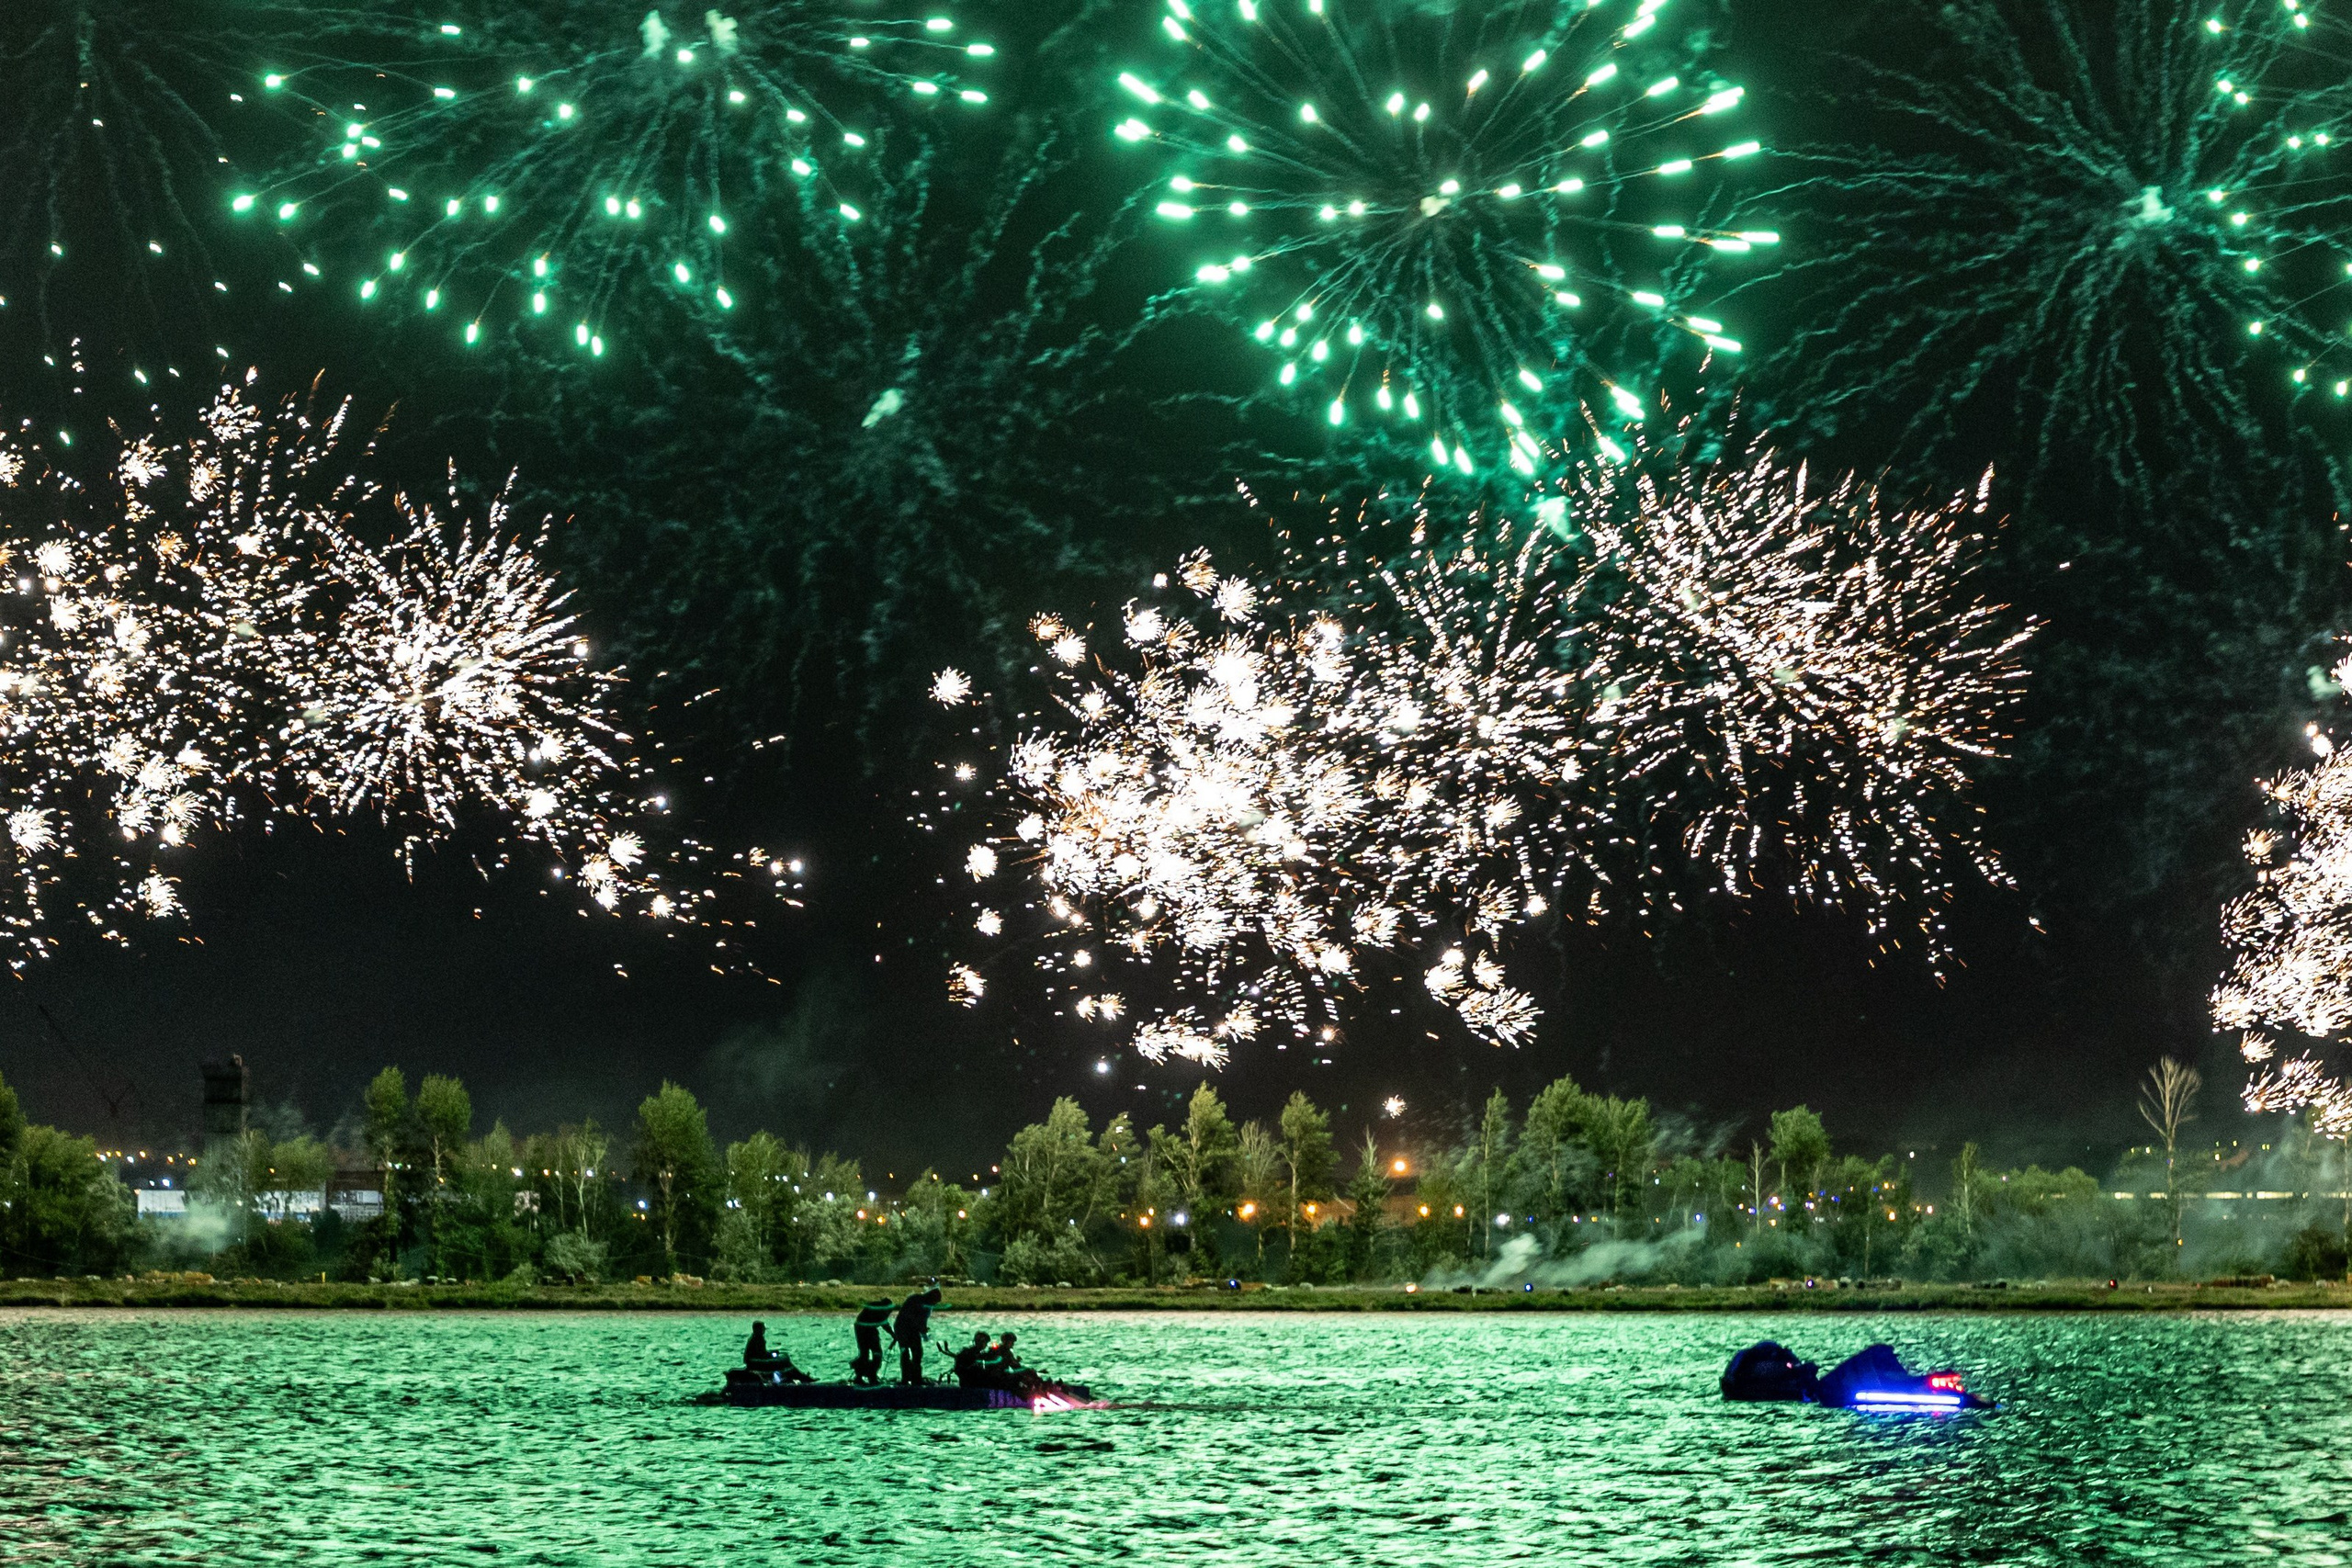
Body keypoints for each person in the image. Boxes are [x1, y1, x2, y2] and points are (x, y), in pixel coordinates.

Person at [894, 1286, 944, 1385]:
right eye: (935, 1301)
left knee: (918, 1353)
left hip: (914, 1330)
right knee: (905, 1353)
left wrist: (924, 1332)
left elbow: (923, 1320)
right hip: (902, 1328)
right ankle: (905, 1378)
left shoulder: (928, 1306)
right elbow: (909, 1317)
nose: (935, 1304)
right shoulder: (915, 1299)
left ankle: (916, 1378)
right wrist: (920, 1327)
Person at [742, 1321, 812, 1383]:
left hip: (757, 1361)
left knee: (784, 1359)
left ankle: (800, 1377)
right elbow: (761, 1355)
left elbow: (761, 1353)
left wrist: (771, 1353)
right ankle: (802, 1377)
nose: (764, 1330)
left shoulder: (755, 1338)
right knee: (784, 1361)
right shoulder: (756, 1339)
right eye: (762, 1328)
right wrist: (771, 1354)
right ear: (757, 1329)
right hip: (756, 1363)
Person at [851, 1297, 894, 1385]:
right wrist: (893, 1335)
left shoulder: (876, 1306)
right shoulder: (879, 1308)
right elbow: (884, 1323)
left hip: (865, 1328)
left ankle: (866, 1376)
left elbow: (883, 1322)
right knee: (873, 1353)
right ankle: (869, 1376)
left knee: (866, 1353)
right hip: (864, 1329)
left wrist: (893, 1335)